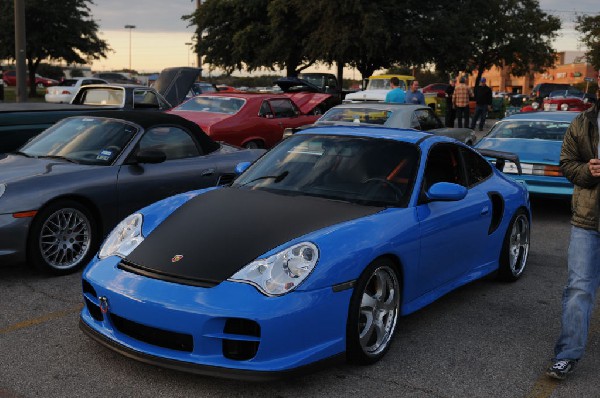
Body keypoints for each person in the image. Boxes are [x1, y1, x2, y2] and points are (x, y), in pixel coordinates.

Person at [546, 80, 600, 380]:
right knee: (579, 289)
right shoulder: (582, 122)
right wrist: (587, 171)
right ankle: (567, 355)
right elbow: (567, 164)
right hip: (587, 221)